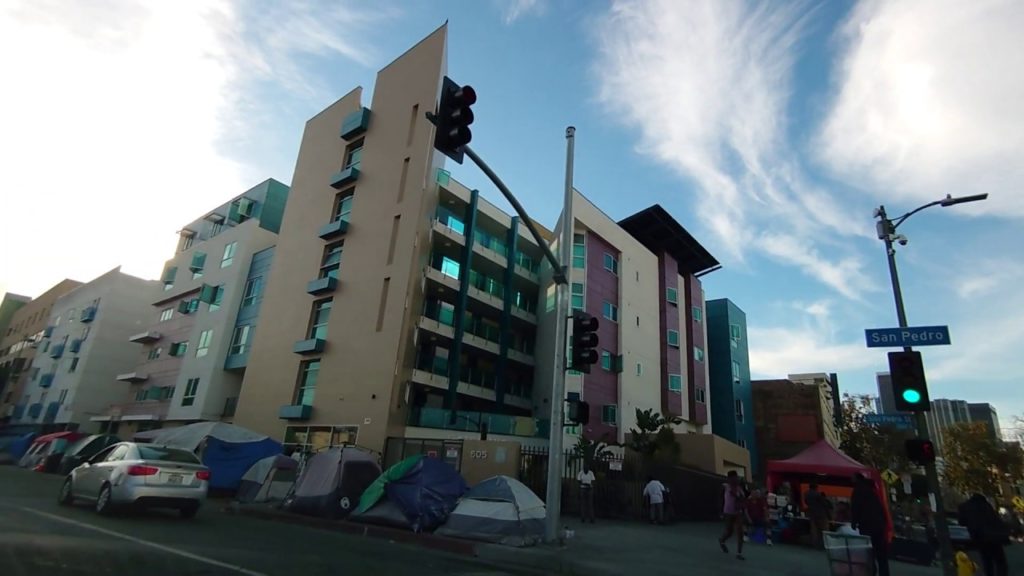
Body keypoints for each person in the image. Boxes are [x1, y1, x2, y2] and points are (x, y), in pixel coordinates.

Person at [958, 493, 1009, 576]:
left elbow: (961, 522)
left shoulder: (964, 506)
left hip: (979, 537)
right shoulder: (986, 505)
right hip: (994, 537)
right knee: (1000, 561)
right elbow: (995, 520)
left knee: (987, 561)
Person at [850, 473, 890, 576]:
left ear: (856, 478)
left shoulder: (858, 490)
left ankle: (871, 572)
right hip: (879, 524)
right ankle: (884, 573)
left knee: (869, 551)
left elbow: (856, 507)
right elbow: (881, 507)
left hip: (866, 524)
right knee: (881, 553)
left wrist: (854, 522)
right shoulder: (873, 490)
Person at [718, 470, 747, 560]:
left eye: (736, 477)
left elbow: (743, 498)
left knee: (740, 531)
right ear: (729, 479)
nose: (735, 479)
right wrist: (721, 511)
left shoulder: (739, 488)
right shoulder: (726, 487)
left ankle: (739, 553)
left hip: (737, 512)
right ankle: (722, 540)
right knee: (729, 531)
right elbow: (721, 499)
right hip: (728, 512)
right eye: (733, 477)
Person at [805, 482, 831, 548]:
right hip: (821, 514)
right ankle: (825, 544)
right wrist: (829, 515)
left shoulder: (806, 494)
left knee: (814, 530)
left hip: (812, 513)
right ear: (816, 487)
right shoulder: (818, 494)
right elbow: (824, 504)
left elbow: (806, 502)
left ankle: (814, 544)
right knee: (824, 530)